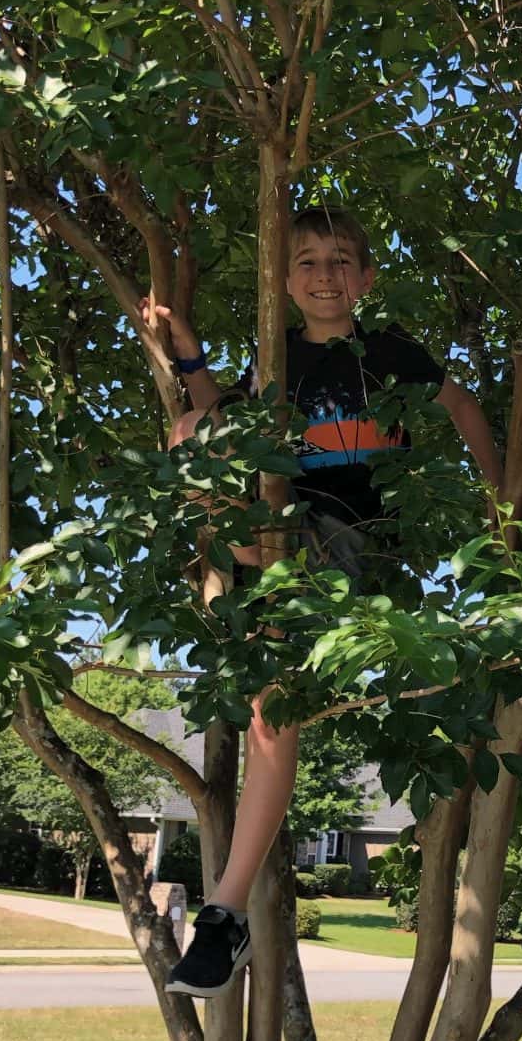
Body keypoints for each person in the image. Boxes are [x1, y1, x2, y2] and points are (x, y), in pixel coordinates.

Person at [141, 206, 502, 997]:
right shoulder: (277, 360)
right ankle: (226, 914)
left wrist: (505, 514)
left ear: (366, 277)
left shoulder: (389, 354)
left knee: (202, 439)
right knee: (273, 709)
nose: (326, 276)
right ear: (285, 280)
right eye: (307, 261)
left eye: (342, 260)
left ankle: (245, 578)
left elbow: (466, 409)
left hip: (354, 542)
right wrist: (187, 349)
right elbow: (216, 417)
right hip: (281, 539)